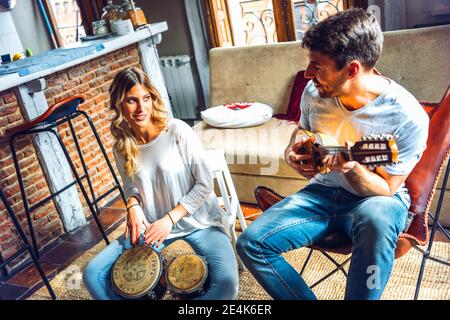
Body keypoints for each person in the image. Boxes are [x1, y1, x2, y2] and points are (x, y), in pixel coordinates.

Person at [236, 8, 429, 300]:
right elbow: (301, 132)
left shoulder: (407, 117)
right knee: (251, 243)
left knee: (376, 216)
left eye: (317, 66)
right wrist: (296, 151)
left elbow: (386, 188)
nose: (307, 74)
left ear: (351, 69)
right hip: (321, 195)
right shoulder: (315, 92)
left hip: (377, 200)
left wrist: (351, 169)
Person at [83, 67, 239, 300]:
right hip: (151, 228)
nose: (141, 108)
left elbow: (205, 184)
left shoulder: (177, 130)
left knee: (226, 286)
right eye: (131, 101)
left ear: (153, 98)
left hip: (200, 222)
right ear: (119, 105)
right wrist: (133, 206)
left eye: (145, 98)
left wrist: (169, 219)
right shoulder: (122, 145)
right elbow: (131, 187)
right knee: (92, 274)